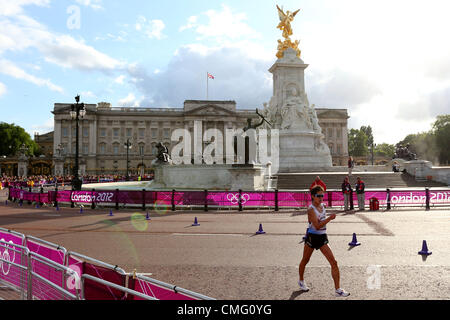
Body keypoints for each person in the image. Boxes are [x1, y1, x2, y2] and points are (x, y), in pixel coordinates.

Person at [298, 186, 350, 297]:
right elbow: (316, 226)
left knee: (334, 262)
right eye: (319, 196)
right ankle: (301, 281)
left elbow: (321, 224)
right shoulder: (311, 209)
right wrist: (329, 219)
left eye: (322, 195)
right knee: (305, 260)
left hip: (322, 237)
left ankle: (338, 289)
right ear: (313, 196)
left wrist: (327, 219)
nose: (321, 198)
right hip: (312, 236)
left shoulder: (323, 206)